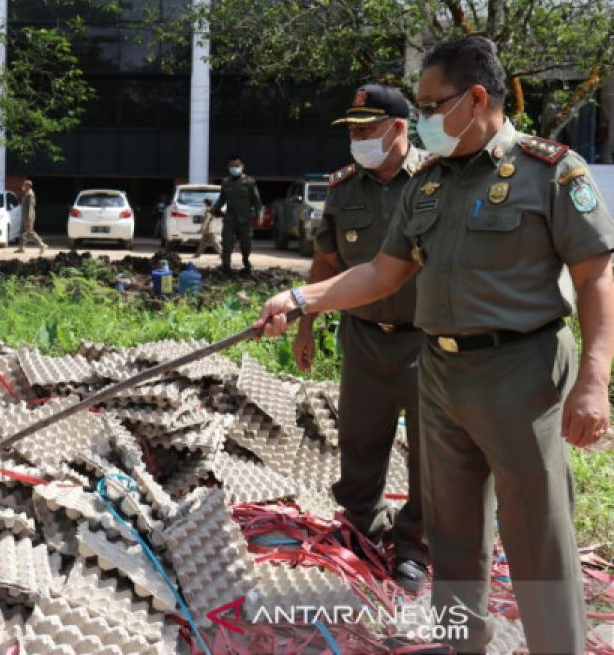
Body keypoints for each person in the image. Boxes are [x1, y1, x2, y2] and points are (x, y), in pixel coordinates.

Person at [256, 35, 614, 654]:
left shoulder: (549, 171)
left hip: (520, 372)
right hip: (441, 374)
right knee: (452, 535)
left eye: (429, 104)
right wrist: (302, 300)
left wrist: (594, 379)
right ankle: (460, 644)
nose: (421, 119)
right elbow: (382, 274)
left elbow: (596, 276)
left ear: (475, 99)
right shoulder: (428, 186)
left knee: (537, 535)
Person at [292, 84, 429, 592]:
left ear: (398, 128)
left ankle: (414, 546)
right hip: (365, 337)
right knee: (360, 439)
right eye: (351, 129)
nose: (356, 138)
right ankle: (360, 531)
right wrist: (308, 322)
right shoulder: (344, 188)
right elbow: (326, 262)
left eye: (365, 128)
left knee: (428, 451)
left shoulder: (435, 180)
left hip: (427, 341)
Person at [212, 155, 262, 275]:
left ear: (242, 166)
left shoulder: (249, 182)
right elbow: (222, 198)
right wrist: (216, 208)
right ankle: (226, 267)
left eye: (236, 166)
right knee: (227, 244)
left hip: (245, 219)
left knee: (245, 245)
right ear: (228, 167)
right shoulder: (225, 182)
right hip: (230, 219)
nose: (234, 168)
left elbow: (257, 201)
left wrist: (258, 215)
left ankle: (246, 263)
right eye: (232, 166)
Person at [17, 179, 47, 254]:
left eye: (25, 185)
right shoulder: (26, 193)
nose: (23, 186)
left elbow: (31, 207)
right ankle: (21, 248)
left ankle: (42, 245)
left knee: (30, 232)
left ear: (28, 186)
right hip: (24, 216)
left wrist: (29, 218)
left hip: (28, 216)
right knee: (22, 232)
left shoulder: (30, 194)